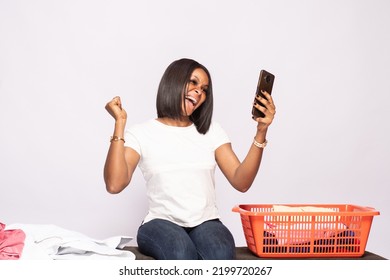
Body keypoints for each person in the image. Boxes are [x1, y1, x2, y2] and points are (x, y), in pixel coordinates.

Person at [104, 58, 276, 260]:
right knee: (180, 252)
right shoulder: (142, 133)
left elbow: (241, 181)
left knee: (220, 253)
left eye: (204, 89)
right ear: (174, 81)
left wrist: (261, 130)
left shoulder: (211, 131)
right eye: (193, 82)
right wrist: (120, 122)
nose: (199, 92)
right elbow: (114, 184)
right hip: (160, 222)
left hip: (206, 222)